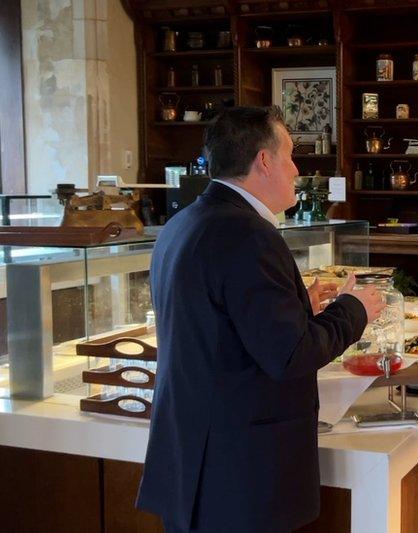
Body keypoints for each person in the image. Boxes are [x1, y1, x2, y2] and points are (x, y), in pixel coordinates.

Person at [136, 106, 385, 533]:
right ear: (264, 161)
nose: (296, 168)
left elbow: (219, 322)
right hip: (237, 469)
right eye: (289, 154)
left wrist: (296, 304)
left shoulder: (183, 222)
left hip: (192, 455)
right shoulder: (250, 234)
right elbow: (290, 355)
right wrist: (355, 308)